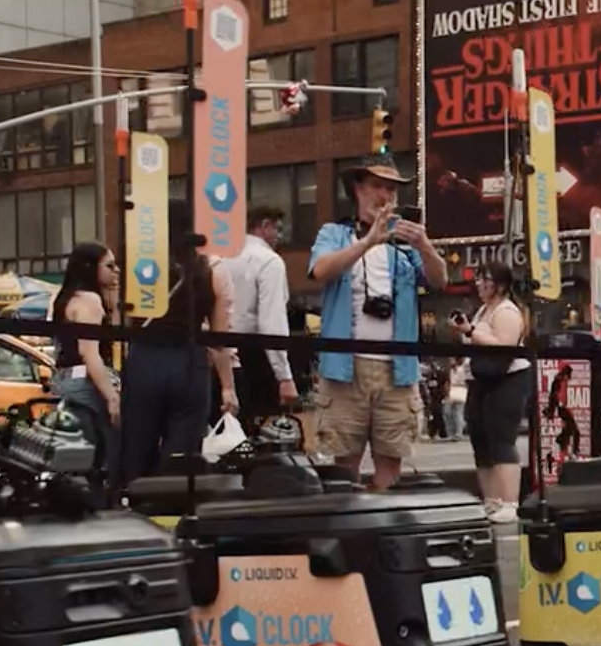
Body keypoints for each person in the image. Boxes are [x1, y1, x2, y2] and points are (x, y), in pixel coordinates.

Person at [308, 160, 449, 489]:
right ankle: (350, 520)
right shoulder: (335, 234)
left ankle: (384, 520)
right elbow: (320, 271)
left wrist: (425, 246)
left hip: (398, 369)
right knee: (345, 464)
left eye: (391, 189)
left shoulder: (405, 240)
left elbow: (440, 280)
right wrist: (367, 242)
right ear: (358, 189)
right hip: (344, 368)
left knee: (391, 461)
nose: (385, 195)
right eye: (377, 186)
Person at [120, 200, 239, 484]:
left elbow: (121, 318)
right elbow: (219, 338)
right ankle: (174, 504)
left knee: (137, 446)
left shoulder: (138, 267)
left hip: (145, 357)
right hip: (189, 360)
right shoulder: (213, 269)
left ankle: (136, 500)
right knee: (183, 456)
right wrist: (227, 386)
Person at [452, 264, 535, 523]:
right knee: (481, 441)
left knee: (502, 439)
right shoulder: (483, 310)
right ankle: (491, 500)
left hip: (507, 380)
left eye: (485, 279)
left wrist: (471, 331)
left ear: (499, 284)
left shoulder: (507, 311)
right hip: (479, 379)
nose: (479, 284)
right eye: (478, 279)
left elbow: (505, 346)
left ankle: (510, 502)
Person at [49, 242, 123, 491]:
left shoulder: (63, 298)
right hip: (87, 383)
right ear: (91, 267)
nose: (117, 271)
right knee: (102, 451)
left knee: (74, 449)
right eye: (109, 266)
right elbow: (89, 352)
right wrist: (111, 396)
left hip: (65, 380)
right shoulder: (90, 301)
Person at [223, 206, 297, 415]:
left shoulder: (222, 256)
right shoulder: (269, 261)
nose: (279, 237)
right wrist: (284, 376)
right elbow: (272, 322)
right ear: (265, 226)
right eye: (278, 229)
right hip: (255, 356)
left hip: (220, 353)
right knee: (260, 425)